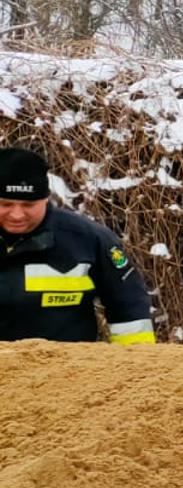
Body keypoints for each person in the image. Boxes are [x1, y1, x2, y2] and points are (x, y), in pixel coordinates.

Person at [0, 148, 156, 345]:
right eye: (5, 205)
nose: (16, 215)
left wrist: (135, 360)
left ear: (45, 198)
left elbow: (129, 307)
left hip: (64, 363)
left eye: (28, 205)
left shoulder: (89, 239)